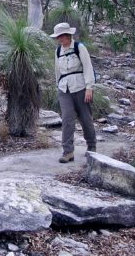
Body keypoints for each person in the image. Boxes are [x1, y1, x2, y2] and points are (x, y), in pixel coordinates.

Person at [50, 22, 96, 163]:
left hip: (81, 87)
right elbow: (58, 71)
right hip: (64, 89)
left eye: (62, 36)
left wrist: (89, 87)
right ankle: (68, 152)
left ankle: (92, 146)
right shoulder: (58, 51)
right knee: (67, 119)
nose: (60, 39)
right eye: (58, 37)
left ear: (68, 35)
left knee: (85, 118)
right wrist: (58, 86)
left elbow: (88, 67)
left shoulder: (79, 48)